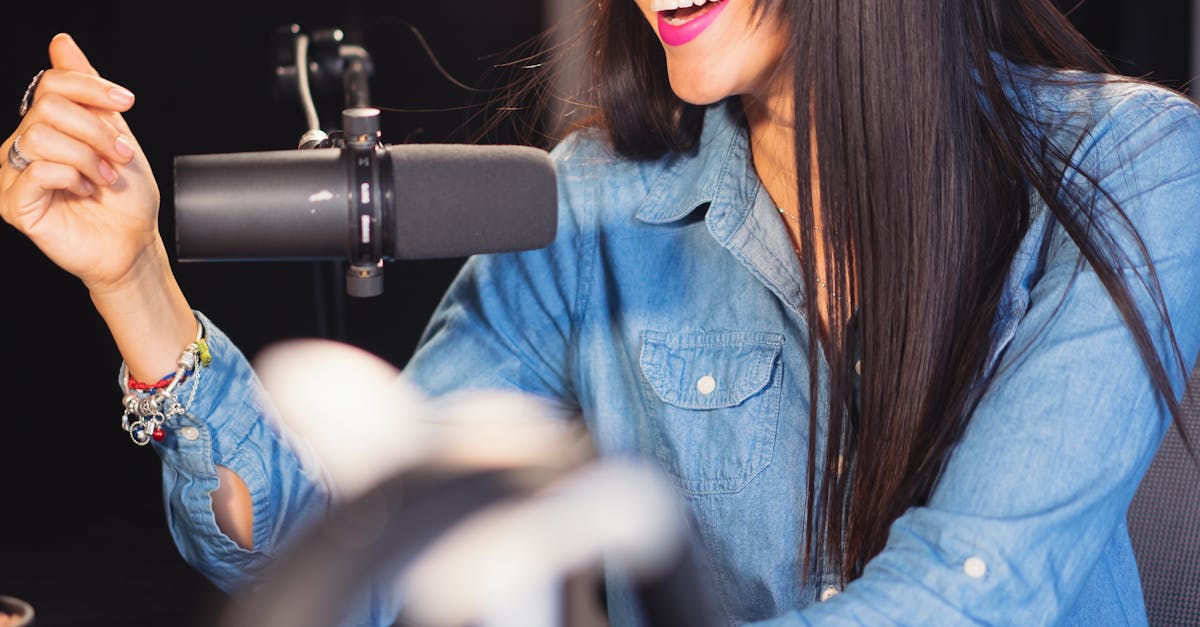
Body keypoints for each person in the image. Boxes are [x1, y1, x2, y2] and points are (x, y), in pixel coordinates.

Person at [3, 0, 1200, 623]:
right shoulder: (589, 208)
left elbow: (976, 597)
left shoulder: (1132, 169)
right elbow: (355, 562)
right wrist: (135, 284)